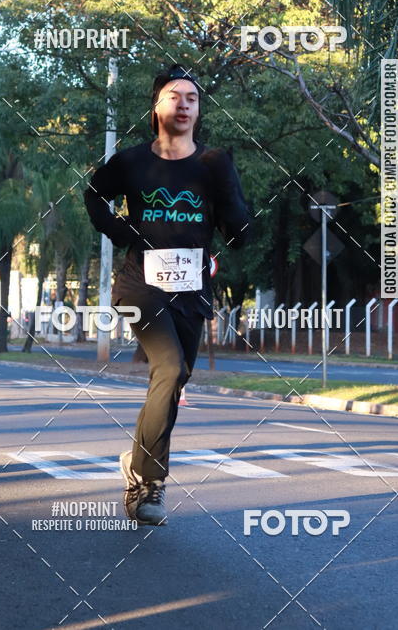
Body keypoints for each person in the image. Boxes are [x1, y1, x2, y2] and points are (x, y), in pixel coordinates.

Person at [84, 63, 250, 525]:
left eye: (192, 98)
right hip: (141, 285)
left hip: (191, 289)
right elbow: (94, 194)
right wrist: (121, 232)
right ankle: (149, 486)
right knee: (170, 366)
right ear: (157, 106)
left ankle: (137, 465)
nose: (183, 103)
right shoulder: (133, 161)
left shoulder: (213, 162)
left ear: (199, 110)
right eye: (174, 96)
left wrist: (226, 185)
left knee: (173, 381)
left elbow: (240, 234)